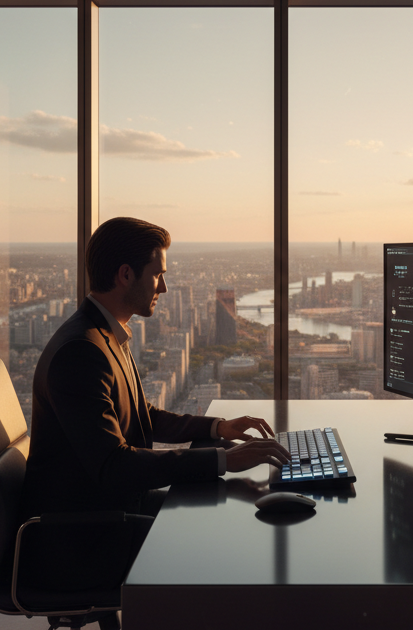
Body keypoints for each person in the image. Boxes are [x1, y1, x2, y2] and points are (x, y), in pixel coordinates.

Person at [19, 217, 289, 588]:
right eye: (158, 274)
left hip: (112, 510)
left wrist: (216, 428)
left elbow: (140, 416)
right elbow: (114, 465)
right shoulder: (81, 352)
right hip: (87, 537)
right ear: (126, 275)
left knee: (226, 508)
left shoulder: (102, 333)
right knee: (230, 537)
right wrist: (225, 460)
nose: (164, 285)